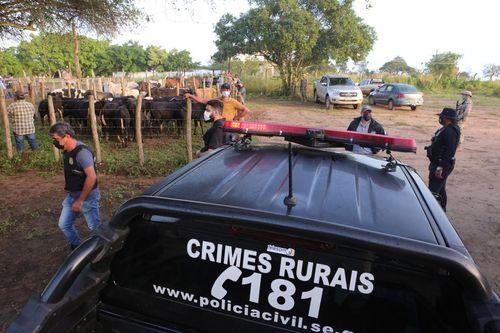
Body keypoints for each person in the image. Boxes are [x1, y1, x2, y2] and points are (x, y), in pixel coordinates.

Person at [49, 122, 101, 250]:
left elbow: (92, 177)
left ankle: (100, 252)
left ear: (66, 136)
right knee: (64, 224)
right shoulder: (68, 151)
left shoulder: (82, 153)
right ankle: (76, 247)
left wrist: (81, 200)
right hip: (73, 195)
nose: (54, 142)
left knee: (95, 229)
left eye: (55, 139)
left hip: (87, 198)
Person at [426, 108, 460, 212]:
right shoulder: (445, 128)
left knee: (433, 192)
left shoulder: (450, 131)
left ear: (447, 118)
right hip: (437, 163)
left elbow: (450, 151)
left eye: (442, 117)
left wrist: (440, 167)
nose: (440, 118)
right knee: (440, 190)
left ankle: (432, 214)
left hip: (441, 165)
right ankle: (442, 211)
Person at [184, 82, 250, 122]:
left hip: (229, 124)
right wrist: (190, 95)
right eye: (224, 89)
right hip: (218, 124)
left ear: (230, 91)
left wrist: (236, 117)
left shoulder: (233, 102)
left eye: (227, 89)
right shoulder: (216, 101)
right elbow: (202, 100)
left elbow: (246, 110)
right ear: (221, 90)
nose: (225, 91)